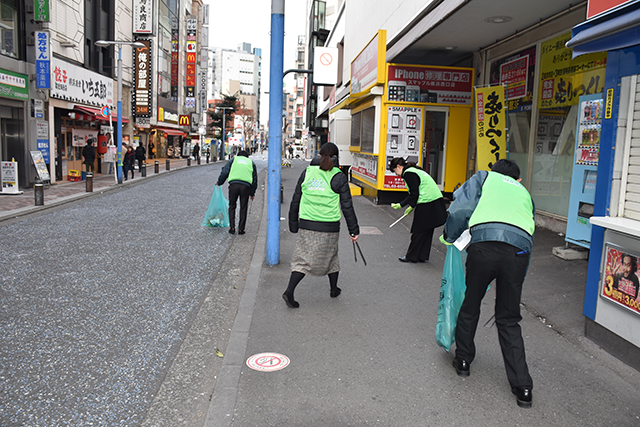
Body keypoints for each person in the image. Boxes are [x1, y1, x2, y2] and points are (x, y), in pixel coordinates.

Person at [441, 159, 535, 409]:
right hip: (518, 252)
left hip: (484, 246)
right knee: (508, 317)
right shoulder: (524, 192)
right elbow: (528, 225)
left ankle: (463, 360)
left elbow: (461, 209)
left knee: (471, 303)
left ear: (495, 171)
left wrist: (448, 236)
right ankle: (523, 387)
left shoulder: (484, 177)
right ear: (518, 180)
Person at [283, 142, 360, 308]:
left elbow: (295, 200)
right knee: (331, 256)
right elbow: (347, 206)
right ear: (335, 156)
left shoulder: (307, 172)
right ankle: (332, 289)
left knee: (302, 260)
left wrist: (293, 224)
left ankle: (291, 290)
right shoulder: (338, 176)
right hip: (328, 226)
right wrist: (354, 230)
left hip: (306, 224)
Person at [389, 157, 447, 263]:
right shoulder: (414, 170)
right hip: (435, 200)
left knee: (418, 230)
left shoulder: (408, 173)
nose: (396, 174)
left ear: (398, 166)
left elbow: (414, 193)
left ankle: (412, 256)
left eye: (395, 171)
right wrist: (411, 205)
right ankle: (422, 256)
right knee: (427, 230)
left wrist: (401, 205)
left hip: (427, 202)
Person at [216, 150, 258, 235]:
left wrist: (219, 182)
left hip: (233, 185)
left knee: (232, 206)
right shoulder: (251, 163)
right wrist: (252, 193)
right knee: (243, 207)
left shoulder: (233, 160)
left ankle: (232, 227)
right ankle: (241, 229)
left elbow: (225, 172)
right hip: (246, 186)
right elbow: (254, 179)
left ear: (238, 155)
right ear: (247, 157)